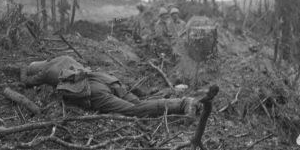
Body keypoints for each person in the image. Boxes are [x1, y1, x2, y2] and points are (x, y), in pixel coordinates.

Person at [22, 55, 198, 117]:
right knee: (138, 102)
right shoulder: (65, 58)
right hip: (106, 79)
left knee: (135, 110)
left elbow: (27, 82)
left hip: (94, 91)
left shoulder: (45, 72)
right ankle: (181, 101)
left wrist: (23, 71)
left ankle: (182, 103)